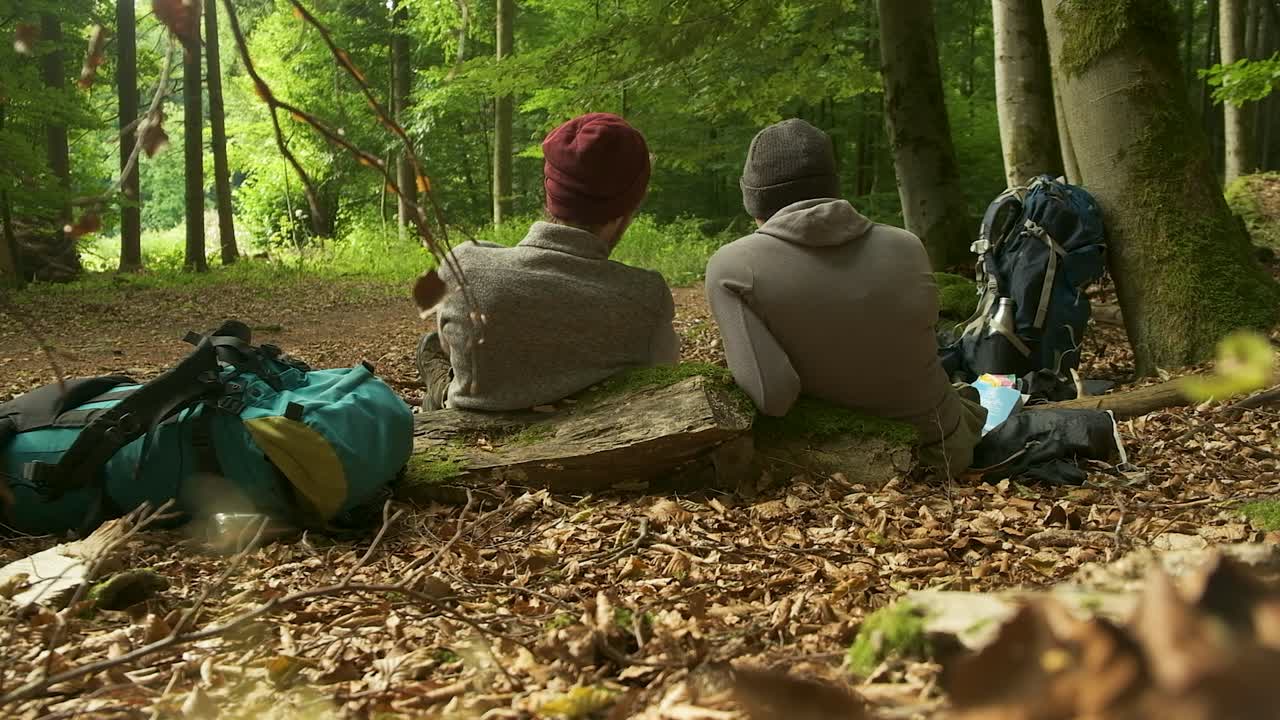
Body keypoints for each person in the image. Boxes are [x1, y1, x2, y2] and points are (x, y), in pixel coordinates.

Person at [704, 119, 986, 476]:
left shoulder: (732, 267)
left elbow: (773, 397)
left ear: (754, 198)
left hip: (847, 464)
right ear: (831, 187)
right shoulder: (907, 245)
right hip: (945, 450)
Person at [416, 113, 680, 411]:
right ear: (630, 206)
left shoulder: (462, 267)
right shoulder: (646, 297)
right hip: (590, 445)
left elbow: (449, 344)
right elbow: (662, 377)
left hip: (469, 435)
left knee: (439, 354)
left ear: (550, 189)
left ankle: (438, 388)